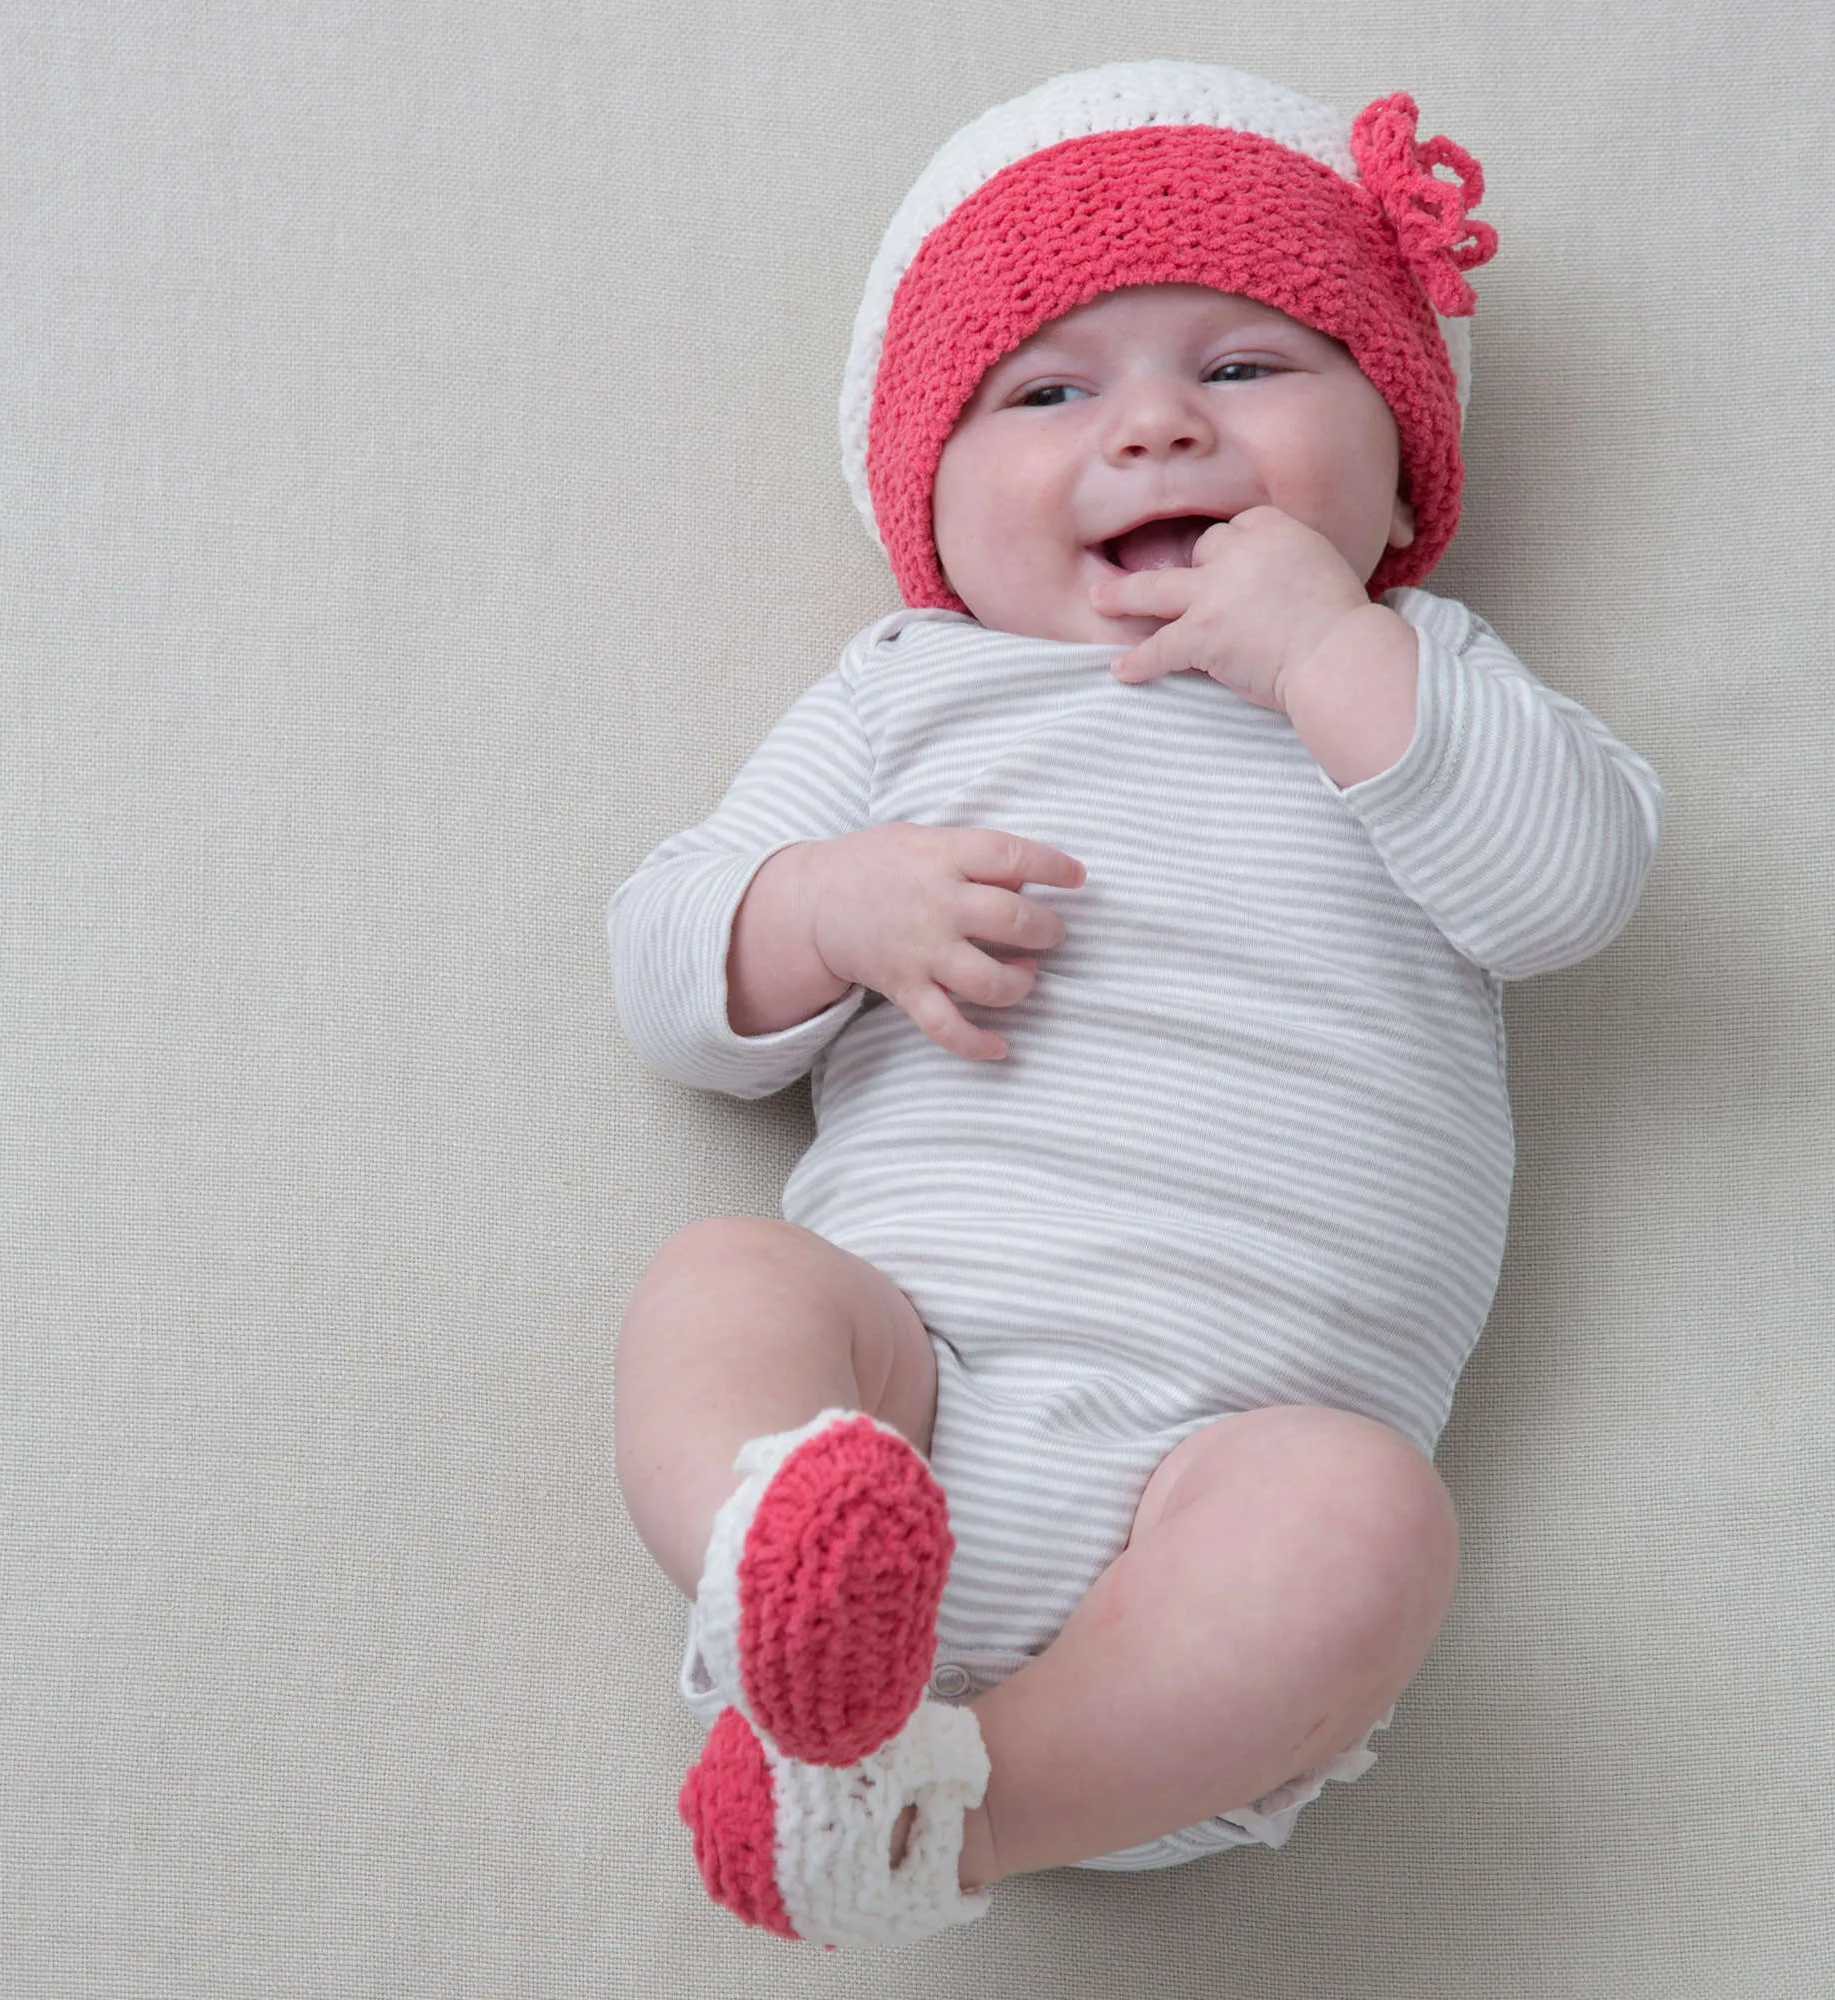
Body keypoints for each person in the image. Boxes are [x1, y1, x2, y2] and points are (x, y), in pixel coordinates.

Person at [606, 59, 1665, 1951]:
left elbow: (1567, 887)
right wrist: (832, 906)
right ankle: (774, 1548)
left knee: (1378, 1529)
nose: (1160, 428)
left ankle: (950, 1818)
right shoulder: (907, 692)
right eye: (1052, 389)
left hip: (1230, 1508)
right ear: (931, 496)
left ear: (1406, 462)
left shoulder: (1421, 670)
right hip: (902, 1386)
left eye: (1251, 367)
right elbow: (668, 959)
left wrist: (1332, 652)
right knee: (724, 1289)